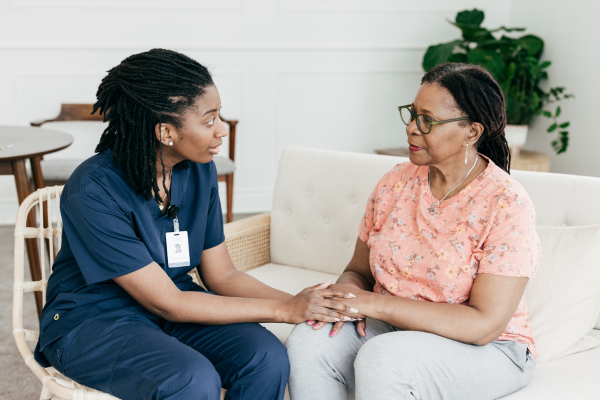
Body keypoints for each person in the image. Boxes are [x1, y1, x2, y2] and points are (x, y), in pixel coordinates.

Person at [34, 49, 358, 400]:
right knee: (191, 379)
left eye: (220, 116)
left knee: (266, 357)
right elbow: (167, 302)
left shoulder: (199, 169)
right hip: (94, 321)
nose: (222, 130)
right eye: (209, 121)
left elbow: (223, 276)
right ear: (165, 131)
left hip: (174, 305)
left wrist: (305, 303)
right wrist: (285, 310)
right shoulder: (93, 190)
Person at [285, 63, 541, 400]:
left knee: (385, 359)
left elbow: (484, 325)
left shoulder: (506, 203)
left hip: (490, 348)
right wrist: (345, 301)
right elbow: (357, 271)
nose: (411, 129)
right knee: (308, 340)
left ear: (471, 132)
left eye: (428, 121)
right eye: (412, 114)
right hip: (393, 328)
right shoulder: (395, 182)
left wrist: (374, 305)